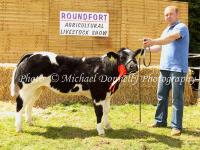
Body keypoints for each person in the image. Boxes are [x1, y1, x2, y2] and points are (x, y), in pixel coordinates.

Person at [143, 6, 189, 136]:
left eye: (170, 14)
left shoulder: (182, 27)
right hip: (165, 68)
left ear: (176, 14)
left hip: (177, 69)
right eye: (166, 15)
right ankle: (160, 121)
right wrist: (146, 49)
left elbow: (170, 39)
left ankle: (176, 126)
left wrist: (152, 41)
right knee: (161, 96)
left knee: (177, 98)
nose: (168, 17)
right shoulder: (166, 30)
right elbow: (159, 47)